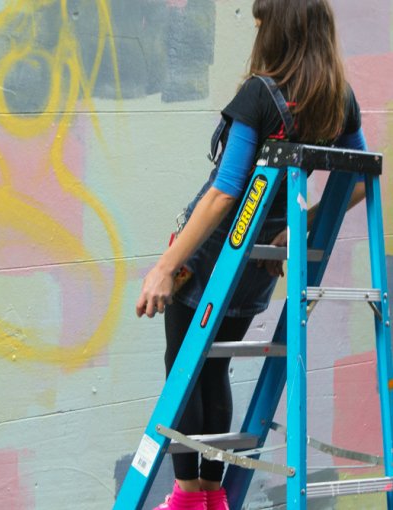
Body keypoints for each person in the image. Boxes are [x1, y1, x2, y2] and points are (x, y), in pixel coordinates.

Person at [135, 1, 369, 509]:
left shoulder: (260, 93)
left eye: (261, 22)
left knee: (185, 367)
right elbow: (361, 179)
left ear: (280, 29)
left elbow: (224, 193)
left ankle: (187, 496)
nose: (256, 30)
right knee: (214, 372)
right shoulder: (338, 98)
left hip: (215, 254)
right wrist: (297, 228)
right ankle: (213, 495)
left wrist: (165, 267)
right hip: (257, 263)